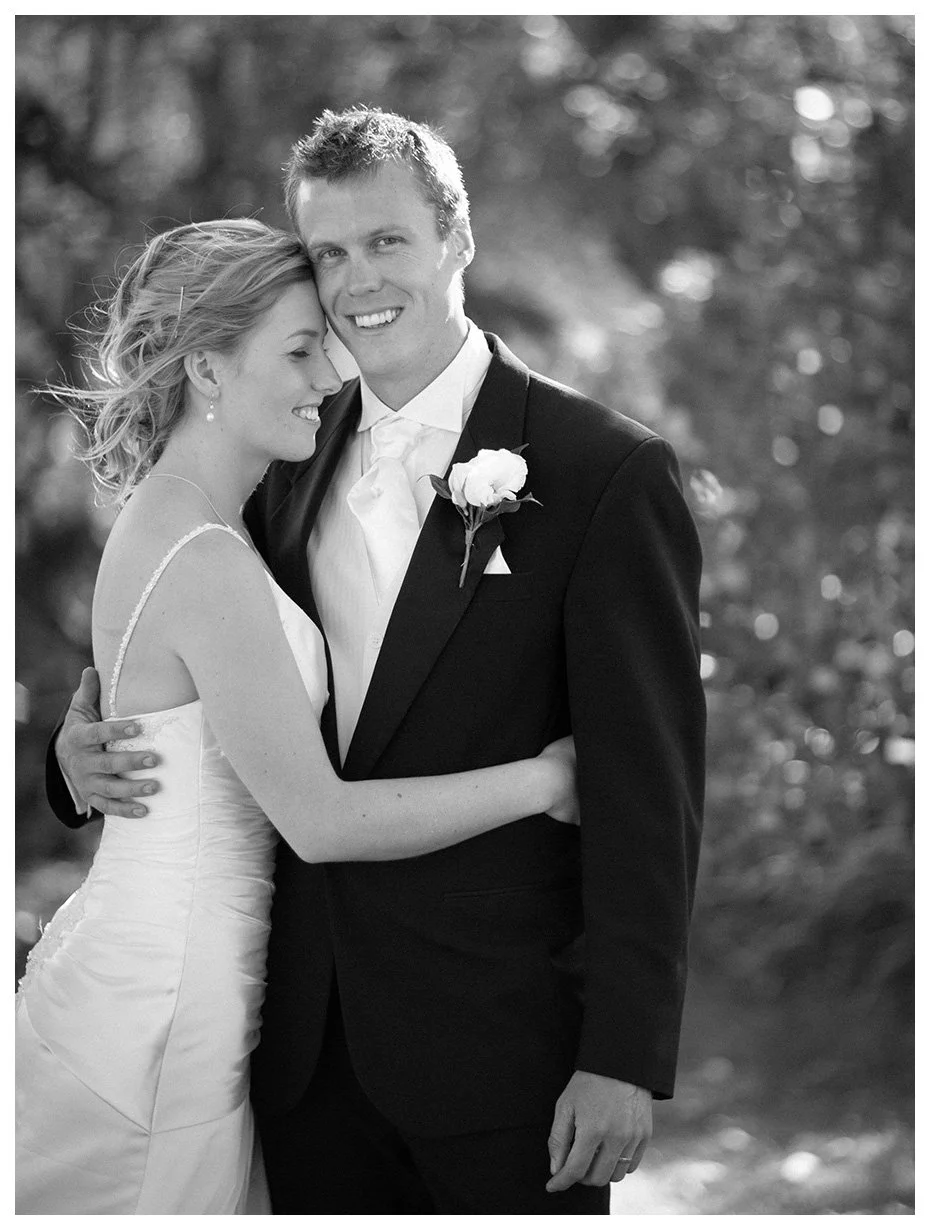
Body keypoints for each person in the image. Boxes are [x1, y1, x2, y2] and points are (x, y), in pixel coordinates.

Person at [47, 107, 706, 1215]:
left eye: (387, 241)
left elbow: (651, 787)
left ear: (457, 240)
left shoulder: (605, 473)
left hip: (507, 1059)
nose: (357, 282)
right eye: (328, 253)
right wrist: (70, 765)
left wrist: (625, 1053)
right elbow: (174, 669)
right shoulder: (283, 455)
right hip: (293, 1055)